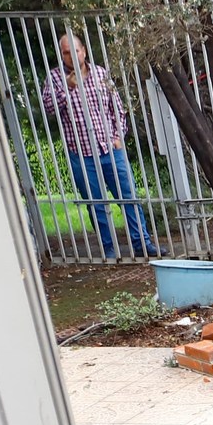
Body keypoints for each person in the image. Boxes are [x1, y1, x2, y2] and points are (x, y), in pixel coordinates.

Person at [41, 33, 161, 259]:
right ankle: (109, 249)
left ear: (83, 51)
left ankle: (142, 244)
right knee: (96, 204)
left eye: (74, 51)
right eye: (65, 53)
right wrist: (67, 89)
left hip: (110, 148)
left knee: (129, 197)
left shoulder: (100, 73)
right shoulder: (55, 78)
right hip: (81, 153)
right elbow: (48, 108)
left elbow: (117, 108)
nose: (70, 56)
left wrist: (118, 137)